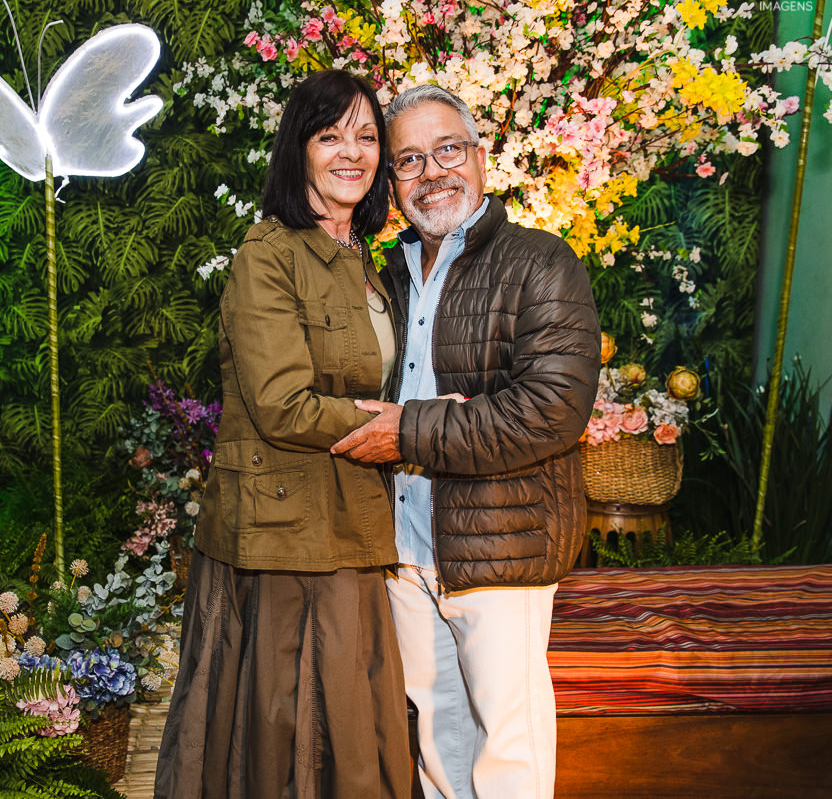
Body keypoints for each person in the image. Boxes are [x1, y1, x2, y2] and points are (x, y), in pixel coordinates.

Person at [331, 84, 602, 799]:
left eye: (448, 149)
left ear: (481, 157)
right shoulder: (386, 275)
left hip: (502, 542)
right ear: (392, 182)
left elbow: (551, 409)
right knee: (438, 739)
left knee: (507, 747)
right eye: (410, 160)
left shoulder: (539, 262)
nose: (433, 172)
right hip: (406, 548)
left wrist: (408, 428)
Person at [154, 69, 413, 798]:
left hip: (352, 517)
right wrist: (405, 429)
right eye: (330, 136)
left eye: (367, 137)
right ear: (298, 149)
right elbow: (280, 404)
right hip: (285, 535)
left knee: (353, 727)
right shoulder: (268, 255)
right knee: (285, 733)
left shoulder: (368, 260)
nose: (352, 153)